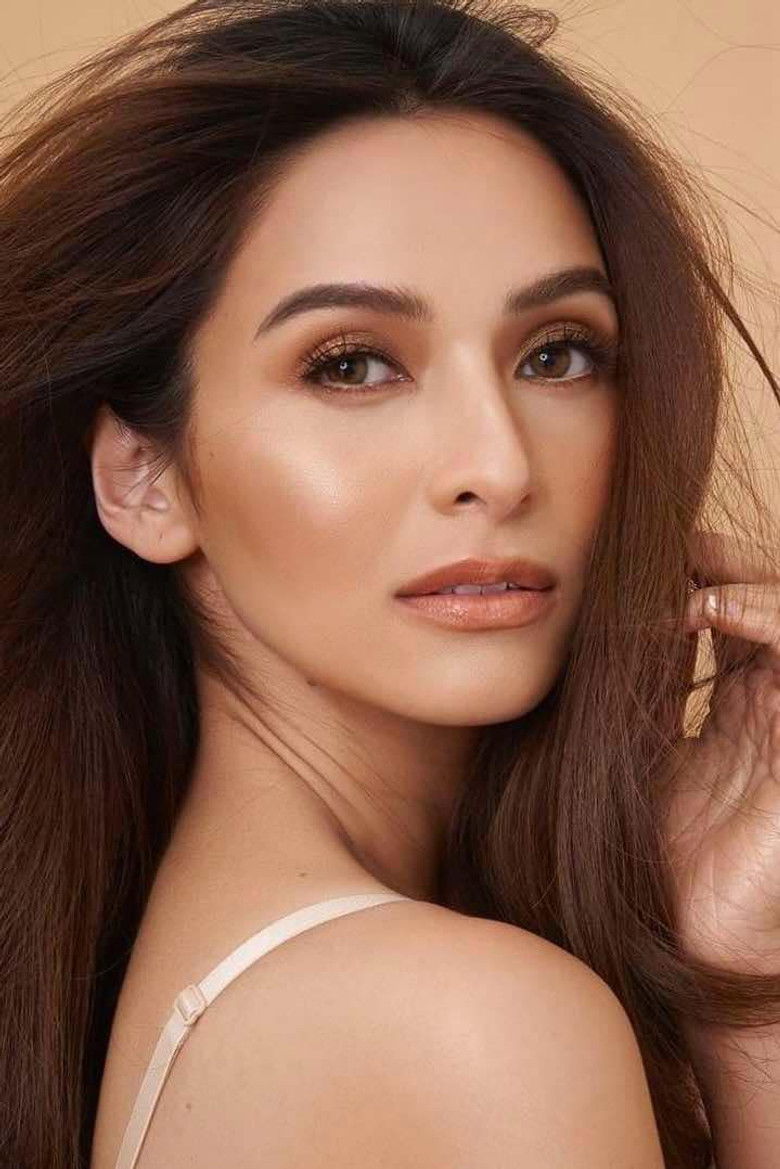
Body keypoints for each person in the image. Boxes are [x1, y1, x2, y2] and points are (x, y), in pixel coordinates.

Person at [0, 1, 777, 1167]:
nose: (498, 465)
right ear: (144, 476)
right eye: (351, 364)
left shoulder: (199, 987)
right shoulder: (465, 1025)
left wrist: (740, 975)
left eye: (557, 353)